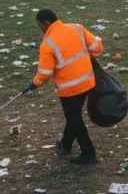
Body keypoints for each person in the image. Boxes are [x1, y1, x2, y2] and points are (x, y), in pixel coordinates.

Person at [24, 9, 103, 164]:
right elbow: (97, 47)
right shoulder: (76, 27)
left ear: (46, 23)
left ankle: (88, 152)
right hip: (88, 80)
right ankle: (66, 144)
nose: (40, 29)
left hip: (70, 88)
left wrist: (34, 83)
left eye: (40, 25)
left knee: (74, 118)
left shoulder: (47, 44)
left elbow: (45, 73)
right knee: (73, 115)